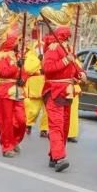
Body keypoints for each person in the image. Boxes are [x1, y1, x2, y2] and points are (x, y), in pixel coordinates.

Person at [42, 27, 85, 172]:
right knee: (56, 126)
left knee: (65, 126)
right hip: (54, 91)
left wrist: (79, 75)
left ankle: (54, 155)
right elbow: (47, 68)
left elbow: (73, 69)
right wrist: (66, 60)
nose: (68, 41)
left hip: (67, 92)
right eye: (67, 37)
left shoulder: (67, 50)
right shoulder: (53, 49)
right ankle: (60, 157)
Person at [0, 26, 27, 157]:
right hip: (6, 91)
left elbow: (24, 73)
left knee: (21, 120)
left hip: (18, 91)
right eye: (16, 40)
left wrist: (23, 79)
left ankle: (15, 140)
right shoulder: (1, 56)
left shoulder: (18, 55)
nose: (18, 43)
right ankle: (7, 146)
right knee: (6, 120)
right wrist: (16, 66)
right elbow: (3, 72)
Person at [24, 40, 49, 137]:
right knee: (33, 110)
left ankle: (44, 128)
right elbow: (28, 69)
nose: (40, 49)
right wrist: (39, 60)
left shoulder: (47, 56)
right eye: (38, 47)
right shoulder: (30, 56)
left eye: (41, 47)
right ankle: (28, 124)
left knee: (47, 110)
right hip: (35, 85)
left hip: (46, 84)